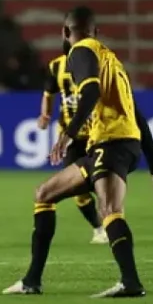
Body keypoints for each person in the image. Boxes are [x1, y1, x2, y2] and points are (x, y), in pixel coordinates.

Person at [4, 6, 153, 298]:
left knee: (110, 210)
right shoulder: (111, 60)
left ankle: (131, 283)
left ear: (65, 33)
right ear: (96, 31)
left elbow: (90, 92)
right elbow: (138, 117)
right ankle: (31, 281)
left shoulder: (80, 53)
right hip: (119, 144)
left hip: (112, 144)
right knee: (44, 194)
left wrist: (67, 133)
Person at [38, 52, 108, 245]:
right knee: (77, 189)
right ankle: (98, 228)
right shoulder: (55, 67)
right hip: (72, 138)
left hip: (97, 134)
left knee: (104, 183)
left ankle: (112, 225)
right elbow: (48, 93)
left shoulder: (98, 64)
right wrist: (45, 114)